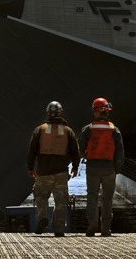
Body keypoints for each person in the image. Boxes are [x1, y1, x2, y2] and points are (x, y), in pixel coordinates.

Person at [26, 101, 80, 237]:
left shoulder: (40, 130)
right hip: (61, 173)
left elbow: (32, 151)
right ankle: (59, 229)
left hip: (43, 172)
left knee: (40, 196)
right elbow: (75, 152)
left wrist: (31, 167)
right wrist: (75, 167)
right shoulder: (68, 131)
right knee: (61, 201)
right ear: (61, 113)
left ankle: (43, 217)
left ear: (48, 113)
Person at [79, 97, 125, 237]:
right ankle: (106, 228)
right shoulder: (114, 130)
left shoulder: (88, 129)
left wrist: (84, 157)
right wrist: (116, 169)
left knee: (92, 195)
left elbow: (79, 149)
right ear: (107, 113)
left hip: (92, 167)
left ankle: (92, 221)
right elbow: (120, 154)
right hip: (109, 168)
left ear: (96, 112)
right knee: (107, 198)